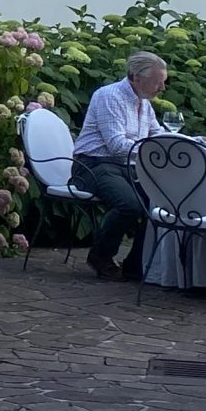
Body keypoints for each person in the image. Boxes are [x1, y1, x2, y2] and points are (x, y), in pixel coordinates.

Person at [70, 51, 174, 282]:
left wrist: (195, 142)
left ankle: (136, 265)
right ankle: (100, 257)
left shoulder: (144, 103)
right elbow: (117, 145)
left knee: (161, 202)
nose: (162, 88)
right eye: (157, 82)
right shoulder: (109, 96)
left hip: (126, 167)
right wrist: (155, 151)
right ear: (136, 77)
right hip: (93, 164)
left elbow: (158, 135)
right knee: (130, 205)